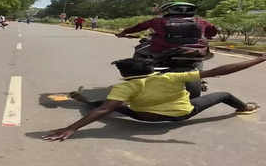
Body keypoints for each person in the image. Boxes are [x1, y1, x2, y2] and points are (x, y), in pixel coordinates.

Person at [43, 56, 265, 142]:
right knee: (224, 94)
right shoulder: (172, 76)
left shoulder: (125, 86)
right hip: (182, 114)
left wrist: (71, 128)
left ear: (123, 74)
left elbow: (104, 111)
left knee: (105, 104)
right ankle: (244, 108)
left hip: (145, 117)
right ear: (149, 68)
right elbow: (221, 71)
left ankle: (84, 101)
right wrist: (260, 59)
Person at [115, 2, 217, 57]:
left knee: (139, 50)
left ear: (167, 10)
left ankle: (135, 76)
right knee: (199, 57)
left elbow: (137, 27)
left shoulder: (157, 21)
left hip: (164, 49)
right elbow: (212, 31)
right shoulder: (201, 21)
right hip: (196, 50)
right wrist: (207, 36)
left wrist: (123, 32)